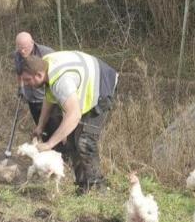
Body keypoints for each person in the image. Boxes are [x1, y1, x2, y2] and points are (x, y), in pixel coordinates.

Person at [19, 51, 119, 194]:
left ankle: (97, 188)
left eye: (28, 80)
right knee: (71, 139)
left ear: (39, 75)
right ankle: (82, 186)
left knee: (85, 140)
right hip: (87, 82)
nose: (26, 85)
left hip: (103, 85)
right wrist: (40, 126)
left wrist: (49, 144)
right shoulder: (45, 66)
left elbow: (74, 114)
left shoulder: (61, 81)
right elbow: (49, 98)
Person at [13, 32, 61, 144]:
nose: (22, 51)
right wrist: (20, 88)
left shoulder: (46, 53)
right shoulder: (17, 55)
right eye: (19, 48)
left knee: (54, 125)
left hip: (48, 98)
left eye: (25, 48)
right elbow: (19, 73)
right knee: (41, 128)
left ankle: (59, 150)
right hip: (31, 98)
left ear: (32, 43)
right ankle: (46, 148)